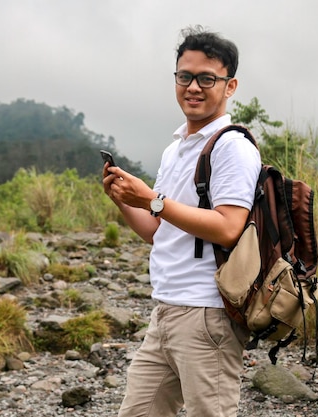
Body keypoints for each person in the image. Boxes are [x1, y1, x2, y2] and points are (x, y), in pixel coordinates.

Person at [102, 26, 261, 417]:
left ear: (230, 86)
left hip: (208, 313)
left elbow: (228, 226)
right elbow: (159, 233)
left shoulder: (232, 148)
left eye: (207, 78)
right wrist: (126, 201)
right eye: (185, 76)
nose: (194, 86)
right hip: (166, 308)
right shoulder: (175, 150)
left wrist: (153, 200)